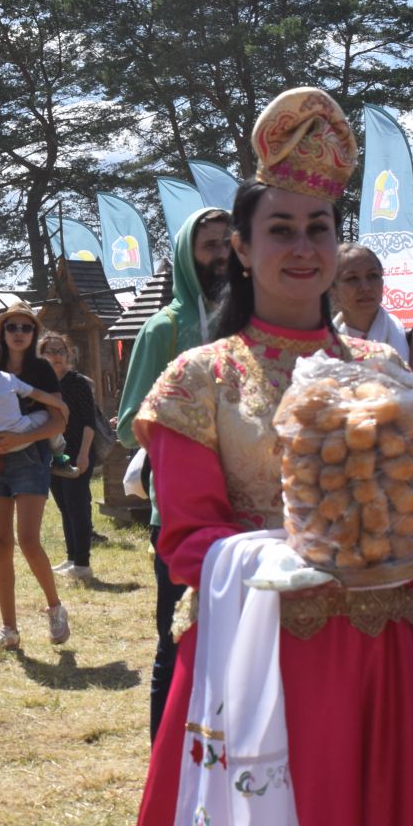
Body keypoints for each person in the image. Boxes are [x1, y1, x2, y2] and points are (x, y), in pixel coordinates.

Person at [104, 88, 413, 826]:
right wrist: (314, 554)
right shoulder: (200, 379)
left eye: (320, 226)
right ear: (241, 244)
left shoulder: (382, 371)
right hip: (257, 679)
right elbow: (186, 543)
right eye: (281, 228)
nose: (304, 246)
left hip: (386, 671)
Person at [116, 209, 229, 740]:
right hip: (180, 513)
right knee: (177, 637)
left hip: (247, 508)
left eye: (228, 245)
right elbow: (124, 425)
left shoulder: (245, 324)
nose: (222, 257)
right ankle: (166, 750)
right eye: (210, 247)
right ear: (188, 255)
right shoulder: (164, 329)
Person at [0, 306, 70, 652]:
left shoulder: (40, 368)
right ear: (1, 331)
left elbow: (58, 420)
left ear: (34, 334)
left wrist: (21, 439)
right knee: (0, 543)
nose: (19, 332)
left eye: (27, 328)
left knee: (28, 539)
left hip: (29, 459)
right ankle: (8, 628)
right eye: (12, 326)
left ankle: (55, 607)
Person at [332, 242, 413, 404]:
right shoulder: (327, 351)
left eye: (373, 276)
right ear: (332, 290)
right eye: (352, 279)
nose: (365, 287)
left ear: (383, 282)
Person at [40, 331, 100, 586]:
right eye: (50, 351)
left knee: (77, 507)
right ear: (41, 355)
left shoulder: (77, 382)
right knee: (65, 506)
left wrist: (84, 454)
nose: (56, 356)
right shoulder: (41, 383)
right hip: (52, 453)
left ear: (68, 354)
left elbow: (89, 422)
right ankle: (72, 557)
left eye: (60, 351)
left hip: (76, 451)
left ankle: (83, 564)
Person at [0, 332, 62, 440]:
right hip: (18, 432)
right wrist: (61, 405)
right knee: (45, 415)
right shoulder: (10, 379)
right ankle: (57, 447)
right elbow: (36, 393)